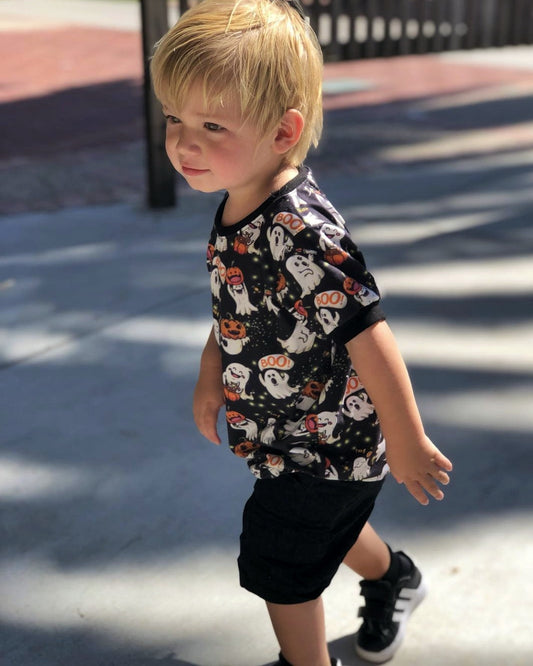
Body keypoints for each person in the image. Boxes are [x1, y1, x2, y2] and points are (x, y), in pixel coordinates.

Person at [150, 1, 453, 664]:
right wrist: (211, 373)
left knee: (280, 561)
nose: (183, 143)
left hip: (329, 440)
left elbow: (368, 332)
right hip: (285, 433)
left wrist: (405, 440)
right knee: (327, 531)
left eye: (211, 125)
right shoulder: (239, 200)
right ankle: (394, 577)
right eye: (173, 118)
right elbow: (236, 303)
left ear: (283, 131)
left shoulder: (300, 231)